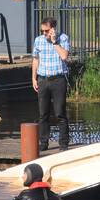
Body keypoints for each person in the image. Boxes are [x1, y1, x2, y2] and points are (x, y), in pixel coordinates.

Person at [31, 17, 71, 151]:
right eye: (42, 31)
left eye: (46, 31)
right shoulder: (38, 40)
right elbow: (35, 59)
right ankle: (43, 142)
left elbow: (64, 56)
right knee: (43, 114)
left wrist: (54, 42)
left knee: (60, 112)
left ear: (53, 29)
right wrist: (34, 78)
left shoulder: (63, 38)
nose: (44, 33)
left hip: (58, 79)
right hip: (43, 79)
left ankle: (63, 143)